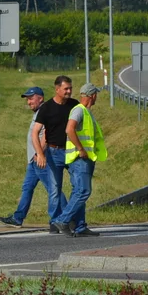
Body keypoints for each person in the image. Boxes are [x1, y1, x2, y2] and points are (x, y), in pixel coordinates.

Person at [0, 87, 62, 228]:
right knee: (27, 187)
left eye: (31, 98)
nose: (29, 102)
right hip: (34, 160)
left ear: (40, 98)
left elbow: (47, 135)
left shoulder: (45, 111)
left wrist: (40, 154)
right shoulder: (40, 112)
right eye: (27, 99)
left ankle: (68, 216)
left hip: (41, 159)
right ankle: (18, 218)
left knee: (53, 188)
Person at [52, 83, 106, 237]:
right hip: (79, 159)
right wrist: (81, 149)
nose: (97, 97)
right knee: (83, 191)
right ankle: (63, 220)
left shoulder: (86, 112)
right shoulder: (79, 110)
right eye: (96, 94)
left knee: (79, 191)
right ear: (92, 95)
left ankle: (80, 226)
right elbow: (69, 129)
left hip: (85, 159)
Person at [31, 75, 79, 232]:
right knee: (54, 189)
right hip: (54, 152)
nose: (69, 91)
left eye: (70, 88)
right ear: (57, 89)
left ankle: (71, 219)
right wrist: (40, 154)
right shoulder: (47, 108)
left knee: (78, 186)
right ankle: (54, 221)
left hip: (71, 152)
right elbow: (35, 132)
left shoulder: (74, 105)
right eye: (66, 89)